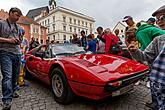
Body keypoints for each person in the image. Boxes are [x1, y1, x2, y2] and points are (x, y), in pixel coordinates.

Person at [127, 5, 165, 110]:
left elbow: (145, 44)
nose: (160, 21)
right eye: (158, 20)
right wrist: (135, 51)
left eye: (163, 18)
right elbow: (147, 54)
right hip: (159, 84)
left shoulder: (140, 33)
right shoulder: (158, 40)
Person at [0, 7, 22, 110]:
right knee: (7, 76)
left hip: (17, 54)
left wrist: (19, 40)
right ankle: (7, 100)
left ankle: (14, 90)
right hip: (5, 53)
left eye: (19, 16)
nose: (18, 18)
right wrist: (9, 40)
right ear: (10, 13)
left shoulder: (18, 27)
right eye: (17, 15)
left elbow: (20, 38)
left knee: (15, 76)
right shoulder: (2, 24)